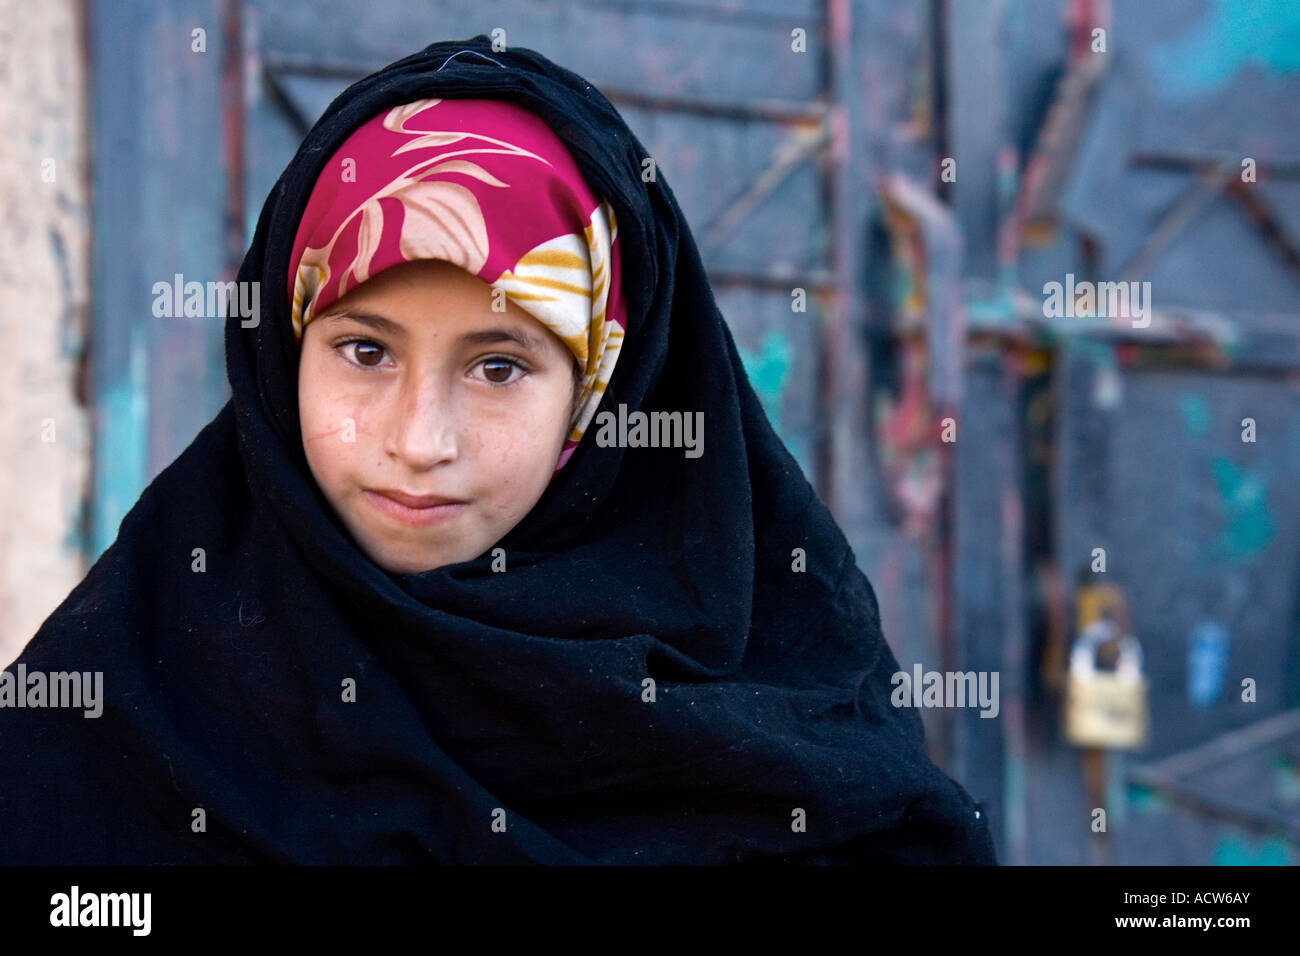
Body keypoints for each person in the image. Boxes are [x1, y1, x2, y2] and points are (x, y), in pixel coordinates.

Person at [0, 35, 997, 865]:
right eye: (362, 350)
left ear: (602, 393)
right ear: (281, 349)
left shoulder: (786, 735)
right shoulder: (124, 705)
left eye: (499, 367)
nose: (418, 440)